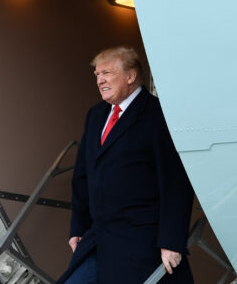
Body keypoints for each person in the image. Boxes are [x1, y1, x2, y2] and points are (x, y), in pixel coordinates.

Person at [56, 46, 194, 284]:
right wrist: (77, 227)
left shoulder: (158, 115)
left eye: (107, 73)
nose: (100, 80)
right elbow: (82, 176)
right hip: (97, 237)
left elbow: (175, 183)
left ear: (130, 76)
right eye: (97, 75)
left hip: (141, 241)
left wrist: (171, 241)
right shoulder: (96, 114)